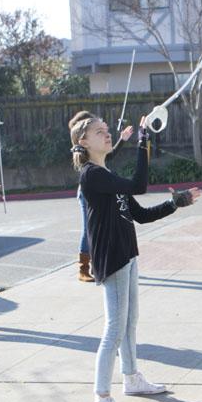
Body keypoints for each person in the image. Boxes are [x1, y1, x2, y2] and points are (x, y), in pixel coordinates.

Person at [72, 114, 202, 402]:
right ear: (83, 142)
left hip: (127, 255)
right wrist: (144, 141)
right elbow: (140, 185)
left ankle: (131, 378)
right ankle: (101, 401)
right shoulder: (91, 175)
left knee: (130, 322)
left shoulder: (107, 173)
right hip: (112, 259)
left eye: (106, 131)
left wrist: (177, 202)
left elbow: (140, 215)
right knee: (114, 329)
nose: (106, 135)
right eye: (99, 132)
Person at [68, 111, 133, 282]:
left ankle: (93, 264)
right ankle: (83, 268)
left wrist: (122, 139)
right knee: (88, 228)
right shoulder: (83, 144)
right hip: (85, 192)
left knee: (94, 227)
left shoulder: (91, 144)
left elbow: (109, 155)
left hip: (89, 189)